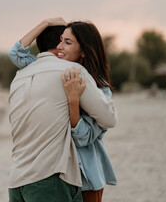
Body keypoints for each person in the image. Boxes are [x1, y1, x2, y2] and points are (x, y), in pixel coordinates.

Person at [8, 18, 117, 202]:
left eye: (67, 42)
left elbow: (84, 137)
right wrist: (46, 23)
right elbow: (16, 54)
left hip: (85, 175)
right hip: (61, 173)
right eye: (60, 41)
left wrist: (74, 101)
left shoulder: (97, 85)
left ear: (83, 49)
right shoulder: (56, 71)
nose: (60, 47)